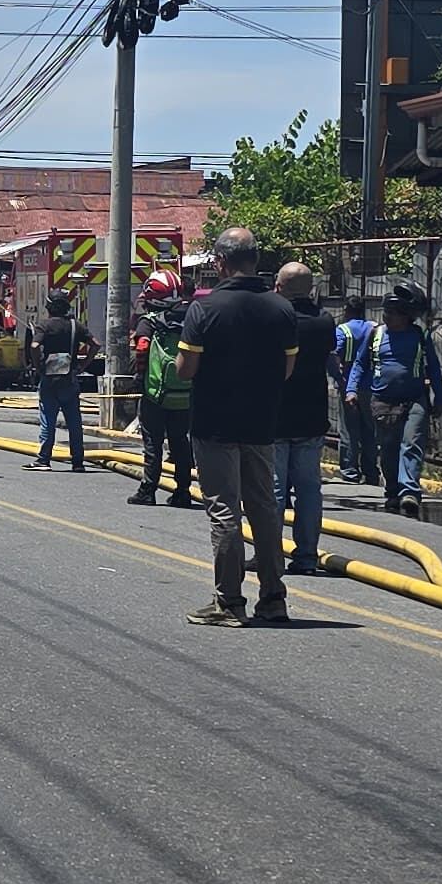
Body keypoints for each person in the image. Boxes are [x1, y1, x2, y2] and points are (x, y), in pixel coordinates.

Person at [176, 229, 299, 625]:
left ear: (220, 262)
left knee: (224, 509)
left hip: (214, 422)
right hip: (261, 421)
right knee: (264, 507)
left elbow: (185, 369)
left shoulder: (206, 309)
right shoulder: (281, 308)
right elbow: (287, 369)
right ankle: (273, 598)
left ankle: (228, 602)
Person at [347, 283, 442, 516]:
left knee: (411, 443)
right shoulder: (375, 334)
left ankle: (409, 491)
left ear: (407, 316)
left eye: (393, 313)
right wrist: (351, 390)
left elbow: (434, 369)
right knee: (389, 449)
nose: (387, 317)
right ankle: (392, 490)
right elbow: (360, 364)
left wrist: (438, 398)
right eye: (386, 312)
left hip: (414, 399)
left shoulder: (420, 336)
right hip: (382, 401)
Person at [269, 260, 336, 567]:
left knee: (274, 490)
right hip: (312, 414)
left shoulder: (273, 319)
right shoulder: (324, 321)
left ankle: (270, 553)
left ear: (279, 287)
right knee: (309, 488)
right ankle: (307, 553)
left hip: (276, 414)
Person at [129, 276, 200, 507]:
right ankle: (183, 491)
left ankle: (148, 490)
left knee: (153, 444)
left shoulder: (149, 322)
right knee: (181, 443)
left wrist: (140, 376)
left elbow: (142, 348)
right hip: (186, 392)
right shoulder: (191, 319)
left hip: (155, 394)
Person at [29, 285, 93, 469]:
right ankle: (78, 461)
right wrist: (83, 365)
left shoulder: (44, 325)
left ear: (49, 307)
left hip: (49, 379)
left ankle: (43, 459)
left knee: (48, 418)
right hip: (69, 378)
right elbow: (95, 344)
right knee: (74, 420)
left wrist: (38, 365)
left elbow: (34, 346)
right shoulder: (75, 326)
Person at [332, 293, 381, 484]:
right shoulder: (375, 328)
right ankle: (371, 471)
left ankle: (350, 471)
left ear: (347, 311)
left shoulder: (342, 330)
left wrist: (339, 377)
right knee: (370, 430)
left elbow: (335, 355)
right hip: (372, 386)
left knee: (349, 430)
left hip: (348, 386)